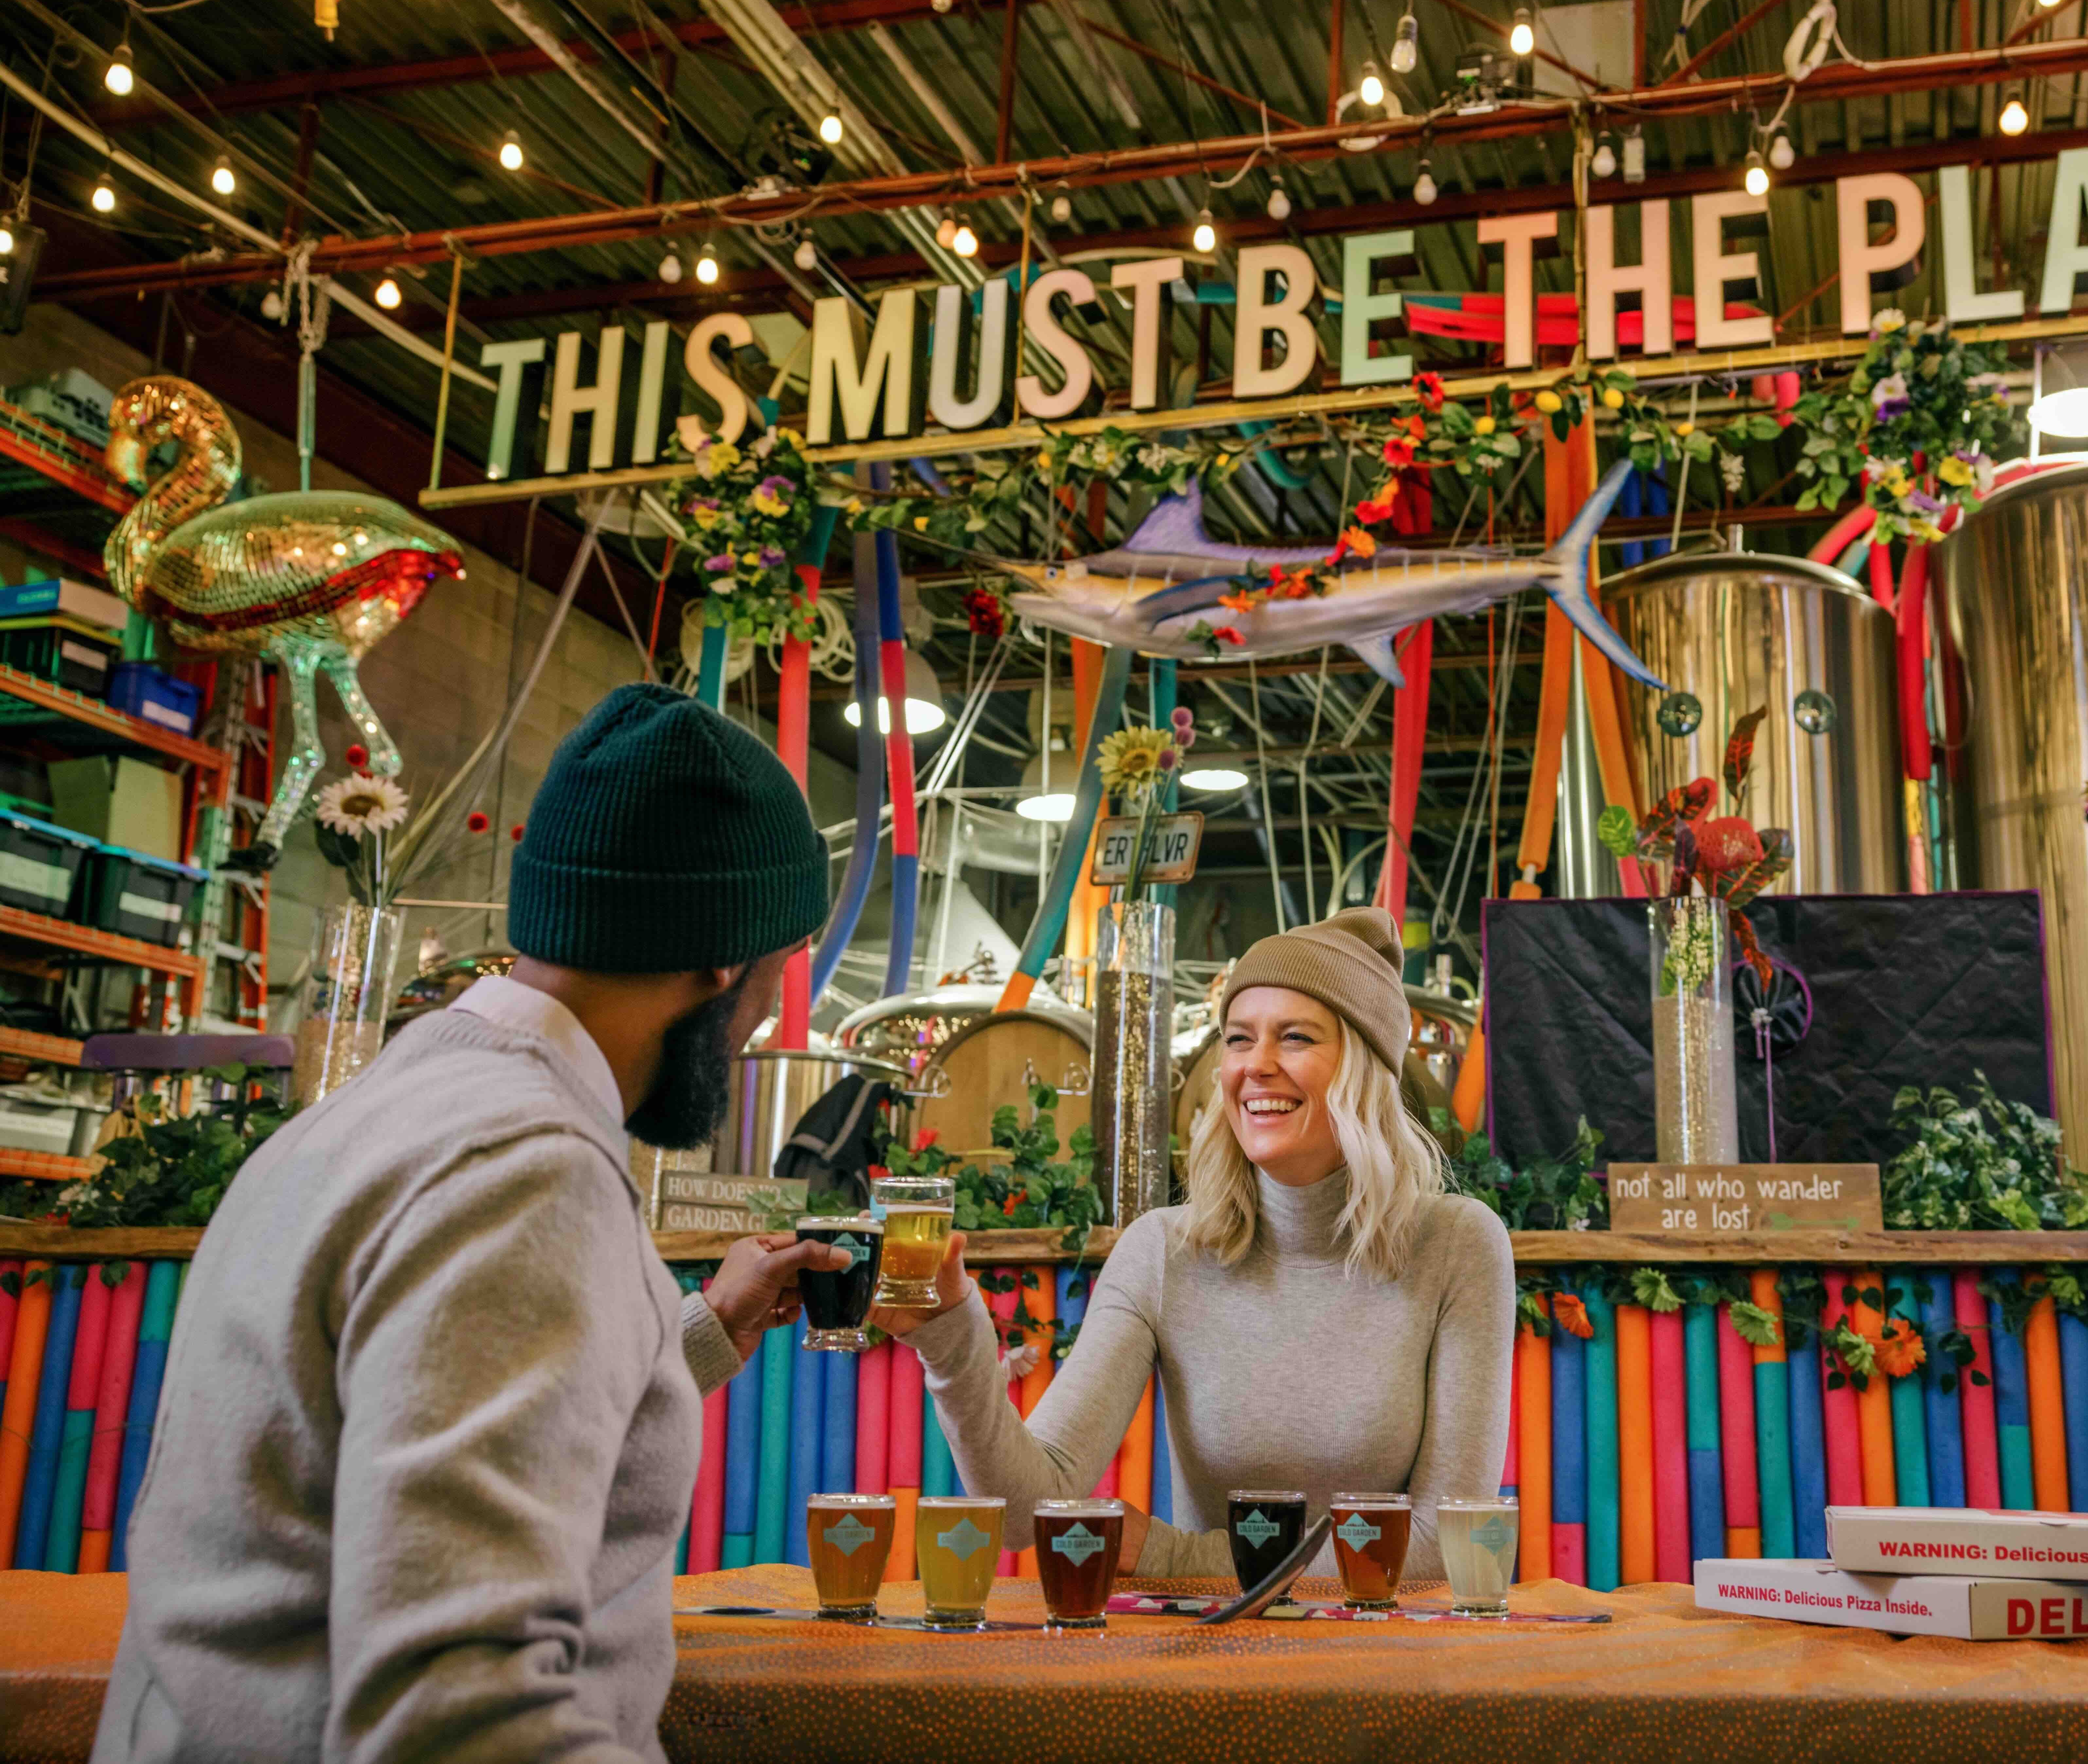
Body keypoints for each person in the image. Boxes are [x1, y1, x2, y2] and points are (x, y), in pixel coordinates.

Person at [96, 684, 841, 1764]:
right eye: (780, 968)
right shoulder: (526, 1174)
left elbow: (394, 1416)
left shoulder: (373, 1113)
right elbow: (454, 1713)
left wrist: (703, 1328)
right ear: (723, 955)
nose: (768, 1015)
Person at [880, 908, 1513, 1580]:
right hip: (1215, 1663)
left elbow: (1442, 1539)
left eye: (1295, 1038)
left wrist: (1178, 1557)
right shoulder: (1162, 1250)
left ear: (1364, 1067)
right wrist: (951, 1342)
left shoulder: (1456, 1243)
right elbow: (1024, 1509)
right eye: (1239, 1039)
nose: (1257, 1065)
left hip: (1387, 1662)